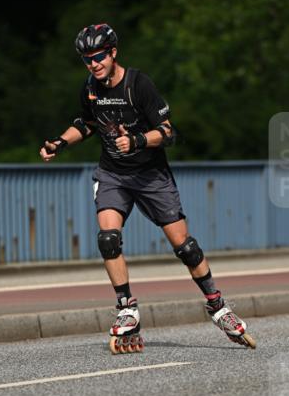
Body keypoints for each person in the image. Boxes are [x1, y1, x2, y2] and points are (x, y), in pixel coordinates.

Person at [39, 23, 256, 353]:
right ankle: (127, 307)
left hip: (151, 176)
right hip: (113, 174)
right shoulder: (90, 88)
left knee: (185, 247)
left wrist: (139, 140)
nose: (93, 64)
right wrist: (59, 143)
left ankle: (217, 305)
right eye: (86, 59)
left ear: (113, 53)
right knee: (108, 238)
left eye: (98, 57)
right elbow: (86, 123)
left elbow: (168, 132)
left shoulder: (138, 84)